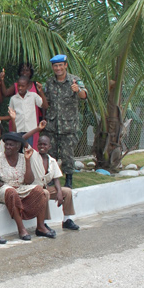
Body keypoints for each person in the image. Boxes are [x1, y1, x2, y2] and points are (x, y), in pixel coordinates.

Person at [0, 132, 51, 240]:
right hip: (4, 188)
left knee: (40, 190)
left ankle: (40, 226)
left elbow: (29, 181)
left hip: (21, 187)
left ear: (17, 147)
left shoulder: (23, 157)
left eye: (11, 145)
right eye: (6, 144)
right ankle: (21, 229)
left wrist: (27, 160)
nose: (7, 147)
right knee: (11, 192)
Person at [43, 54, 87, 188]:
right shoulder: (49, 82)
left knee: (68, 155)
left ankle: (68, 180)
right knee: (51, 155)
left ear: (65, 65)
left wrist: (78, 90)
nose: (58, 68)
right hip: (52, 125)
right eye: (55, 66)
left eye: (60, 65)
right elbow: (46, 102)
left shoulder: (74, 80)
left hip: (68, 126)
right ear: (53, 67)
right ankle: (51, 179)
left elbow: (84, 95)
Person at [30, 134, 80, 231]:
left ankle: (66, 220)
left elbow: (56, 179)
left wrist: (60, 193)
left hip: (46, 188)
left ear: (49, 147)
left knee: (68, 191)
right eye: (40, 144)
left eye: (45, 145)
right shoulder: (33, 156)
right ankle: (43, 223)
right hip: (34, 189)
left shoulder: (52, 161)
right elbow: (23, 141)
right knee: (45, 193)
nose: (42, 147)